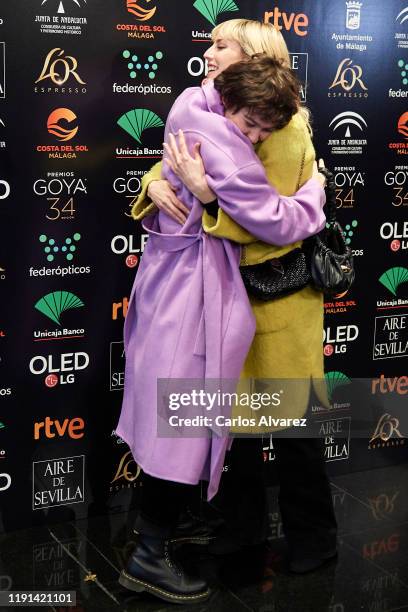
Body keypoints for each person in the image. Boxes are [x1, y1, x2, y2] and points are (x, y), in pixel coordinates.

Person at [116, 55, 326, 604]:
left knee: (186, 417)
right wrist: (314, 195)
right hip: (194, 293)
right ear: (227, 91)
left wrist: (179, 186)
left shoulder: (189, 100)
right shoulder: (229, 148)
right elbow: (284, 220)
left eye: (262, 129)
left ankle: (154, 547)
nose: (253, 137)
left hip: (174, 284)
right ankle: (148, 556)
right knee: (184, 420)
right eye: (250, 124)